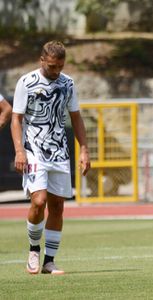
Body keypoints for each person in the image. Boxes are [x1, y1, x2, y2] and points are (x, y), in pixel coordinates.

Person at [11, 41, 91, 275]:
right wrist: (19, 150)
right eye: (53, 66)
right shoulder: (26, 82)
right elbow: (16, 119)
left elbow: (75, 117)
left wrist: (84, 149)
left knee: (57, 205)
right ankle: (34, 250)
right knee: (39, 201)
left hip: (60, 152)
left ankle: (49, 261)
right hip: (34, 149)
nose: (56, 71)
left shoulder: (68, 83)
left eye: (60, 67)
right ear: (42, 60)